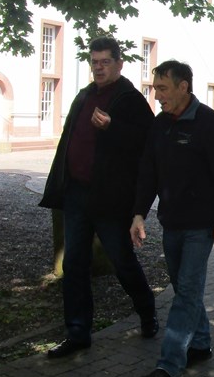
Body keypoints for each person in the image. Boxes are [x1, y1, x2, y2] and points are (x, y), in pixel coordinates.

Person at [39, 36, 157, 358]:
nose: (99, 68)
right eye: (95, 62)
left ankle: (147, 311)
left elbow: (146, 143)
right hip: (77, 194)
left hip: (110, 198)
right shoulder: (84, 96)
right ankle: (77, 332)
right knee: (74, 264)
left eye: (105, 62)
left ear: (119, 64)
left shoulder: (130, 99)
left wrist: (113, 126)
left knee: (122, 261)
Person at [130, 60, 214, 377]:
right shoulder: (160, 124)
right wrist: (138, 213)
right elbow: (148, 171)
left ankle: (168, 368)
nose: (157, 95)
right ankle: (201, 343)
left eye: (163, 88)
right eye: (155, 88)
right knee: (183, 288)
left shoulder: (207, 122)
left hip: (201, 225)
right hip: (172, 221)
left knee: (187, 292)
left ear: (183, 87)